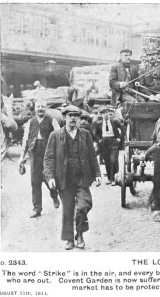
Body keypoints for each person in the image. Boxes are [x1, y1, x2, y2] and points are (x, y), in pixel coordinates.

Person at [44, 105, 101, 250]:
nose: (74, 118)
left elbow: (92, 156)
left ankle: (80, 233)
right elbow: (49, 158)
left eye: (76, 116)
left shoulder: (85, 134)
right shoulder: (55, 135)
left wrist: (97, 174)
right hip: (64, 179)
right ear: (64, 118)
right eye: (70, 116)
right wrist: (50, 176)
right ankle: (70, 238)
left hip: (82, 178)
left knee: (83, 206)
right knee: (68, 210)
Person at [18, 99, 60, 218]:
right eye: (38, 107)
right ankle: (37, 209)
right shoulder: (30, 122)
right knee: (35, 181)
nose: (40, 108)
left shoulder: (53, 121)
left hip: (49, 154)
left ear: (46, 108)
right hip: (34, 154)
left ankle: (54, 194)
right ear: (35, 108)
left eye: (42, 106)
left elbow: (59, 137)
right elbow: (25, 140)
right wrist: (22, 157)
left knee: (49, 178)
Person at [94, 106, 125, 186]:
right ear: (101, 115)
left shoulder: (115, 121)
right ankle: (109, 178)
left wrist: (119, 138)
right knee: (107, 161)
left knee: (113, 160)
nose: (105, 115)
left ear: (109, 113)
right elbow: (95, 134)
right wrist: (99, 140)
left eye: (106, 113)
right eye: (103, 113)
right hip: (104, 142)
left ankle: (115, 178)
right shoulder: (98, 123)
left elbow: (123, 129)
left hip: (113, 141)